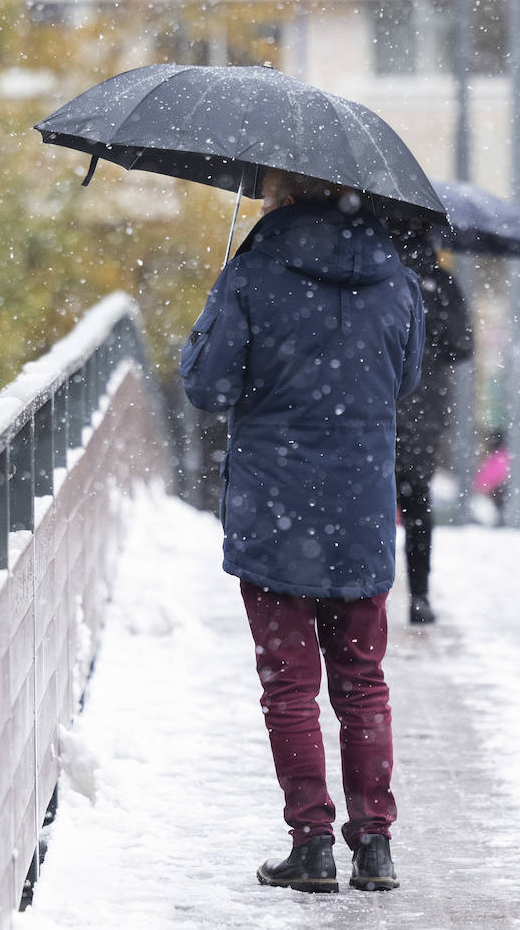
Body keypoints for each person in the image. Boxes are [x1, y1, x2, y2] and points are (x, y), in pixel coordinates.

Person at [180, 168, 424, 894]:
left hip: (276, 510)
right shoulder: (396, 279)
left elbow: (207, 387)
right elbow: (403, 380)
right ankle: (375, 843)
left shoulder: (253, 274)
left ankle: (312, 842)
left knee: (289, 685)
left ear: (278, 191)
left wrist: (213, 318)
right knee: (362, 681)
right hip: (362, 510)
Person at [391, 232, 473, 624]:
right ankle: (419, 596)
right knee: (417, 502)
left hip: (378, 403)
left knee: (370, 500)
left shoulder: (380, 273)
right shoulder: (439, 282)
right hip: (424, 408)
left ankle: (370, 592)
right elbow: (463, 346)